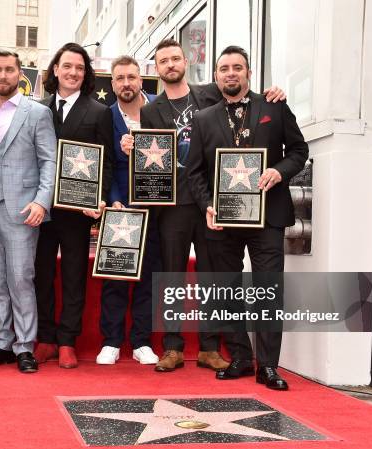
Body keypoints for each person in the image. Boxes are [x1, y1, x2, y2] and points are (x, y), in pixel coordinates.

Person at [121, 38, 285, 373]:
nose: (170, 64)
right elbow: (150, 159)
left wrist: (274, 93)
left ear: (185, 62)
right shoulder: (150, 111)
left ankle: (211, 347)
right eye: (163, 60)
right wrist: (132, 148)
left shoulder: (209, 93)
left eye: (175, 58)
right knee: (171, 275)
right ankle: (172, 347)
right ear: (158, 68)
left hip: (214, 202)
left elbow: (241, 95)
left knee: (213, 275)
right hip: (174, 205)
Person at [186, 45, 308, 390]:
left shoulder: (274, 106)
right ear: (215, 76)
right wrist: (208, 204)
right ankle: (240, 356)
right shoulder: (203, 119)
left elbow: (299, 151)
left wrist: (279, 171)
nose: (231, 73)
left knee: (268, 290)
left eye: (237, 67)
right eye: (224, 68)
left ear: (249, 73)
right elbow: (194, 173)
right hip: (223, 219)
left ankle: (268, 366)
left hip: (268, 216)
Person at [0, 50, 57, 373]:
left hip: (22, 209)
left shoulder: (36, 113)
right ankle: (2, 343)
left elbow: (49, 159)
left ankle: (25, 346)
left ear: (20, 73)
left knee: (21, 278)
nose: (3, 75)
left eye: (9, 69)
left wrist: (41, 200)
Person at [33, 42, 114, 368]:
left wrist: (100, 199)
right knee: (40, 274)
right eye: (67, 66)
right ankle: (47, 337)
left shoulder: (98, 112)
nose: (73, 73)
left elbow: (106, 162)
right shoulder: (38, 109)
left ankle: (67, 340)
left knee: (73, 275)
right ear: (55, 69)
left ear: (86, 74)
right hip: (41, 209)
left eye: (79, 68)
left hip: (78, 211)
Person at [96, 55, 161, 366]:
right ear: (112, 83)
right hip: (121, 205)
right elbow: (105, 163)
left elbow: (178, 151)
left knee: (150, 274)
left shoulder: (159, 111)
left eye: (131, 77)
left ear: (140, 80)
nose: (126, 83)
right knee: (116, 275)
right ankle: (111, 340)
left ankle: (141, 341)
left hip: (157, 206)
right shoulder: (105, 117)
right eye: (119, 78)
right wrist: (113, 197)